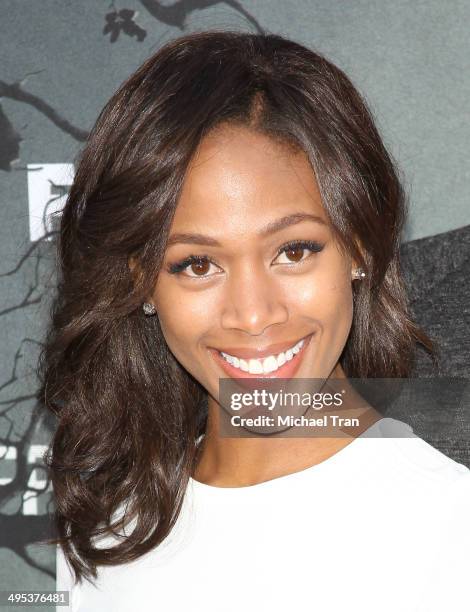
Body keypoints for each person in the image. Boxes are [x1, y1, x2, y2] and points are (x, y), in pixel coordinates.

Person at [37, 30, 470, 611]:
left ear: (361, 246)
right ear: (140, 281)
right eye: (197, 264)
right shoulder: (108, 530)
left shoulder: (450, 528)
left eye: (294, 251)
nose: (253, 313)